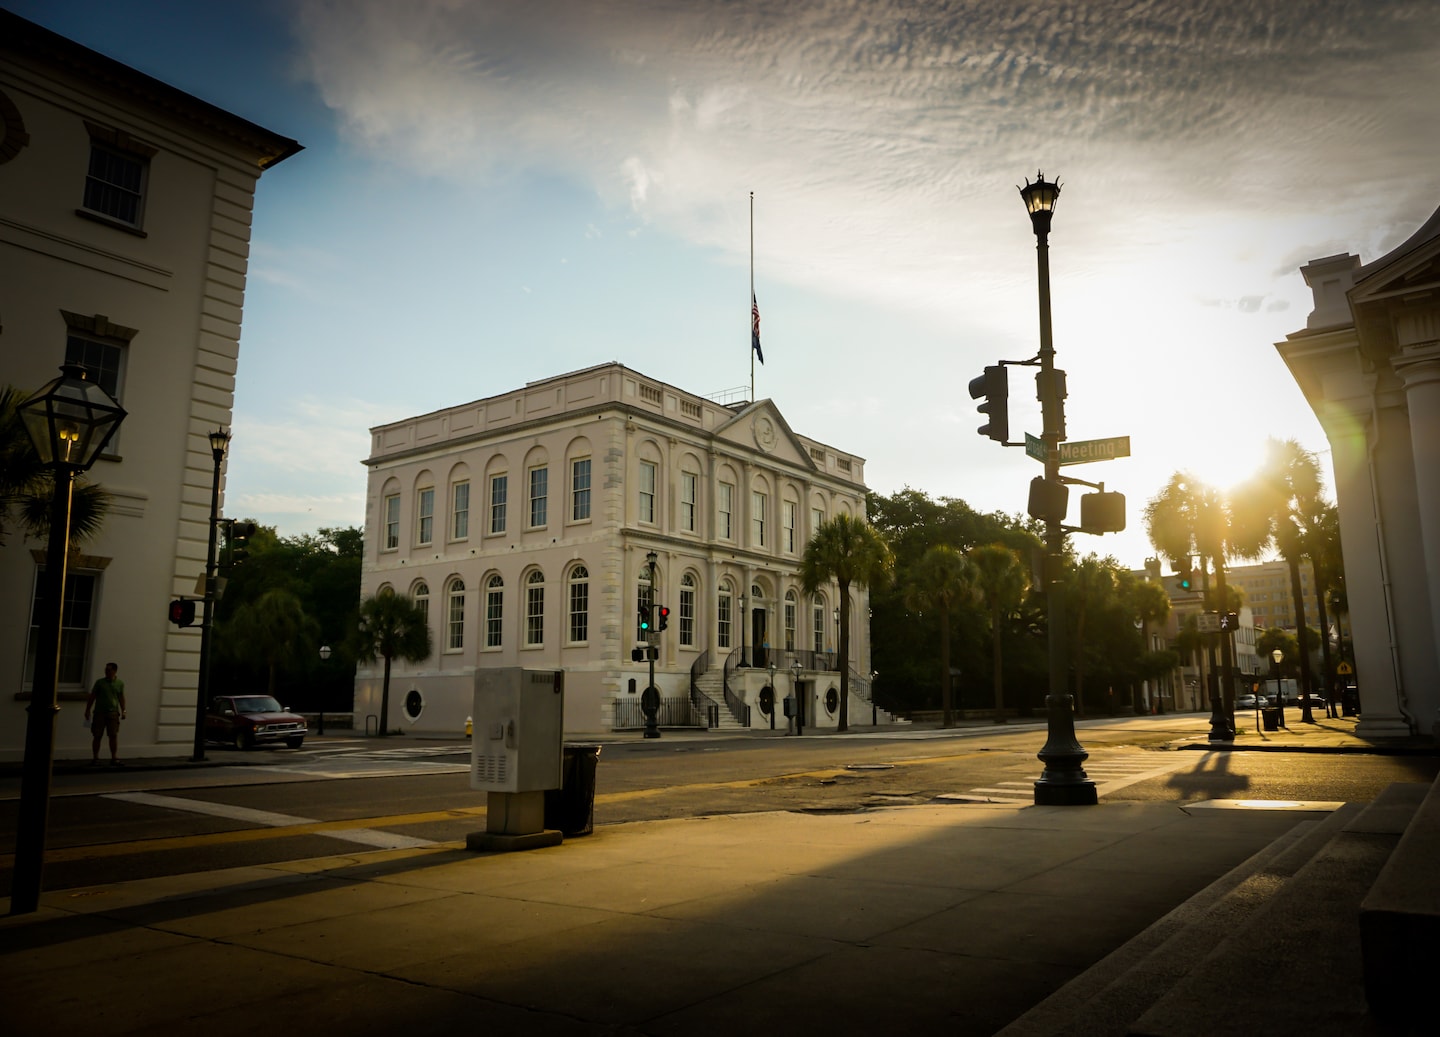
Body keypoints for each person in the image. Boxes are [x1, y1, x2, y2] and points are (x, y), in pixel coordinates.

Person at [85, 661, 126, 766]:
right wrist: (88, 710)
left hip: (113, 713)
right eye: (106, 670)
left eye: (109, 670)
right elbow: (92, 696)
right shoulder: (100, 683)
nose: (107, 672)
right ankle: (95, 757)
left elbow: (121, 698)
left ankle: (114, 757)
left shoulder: (119, 683)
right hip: (99, 712)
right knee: (97, 735)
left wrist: (123, 710)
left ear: (114, 671)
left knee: (113, 735)